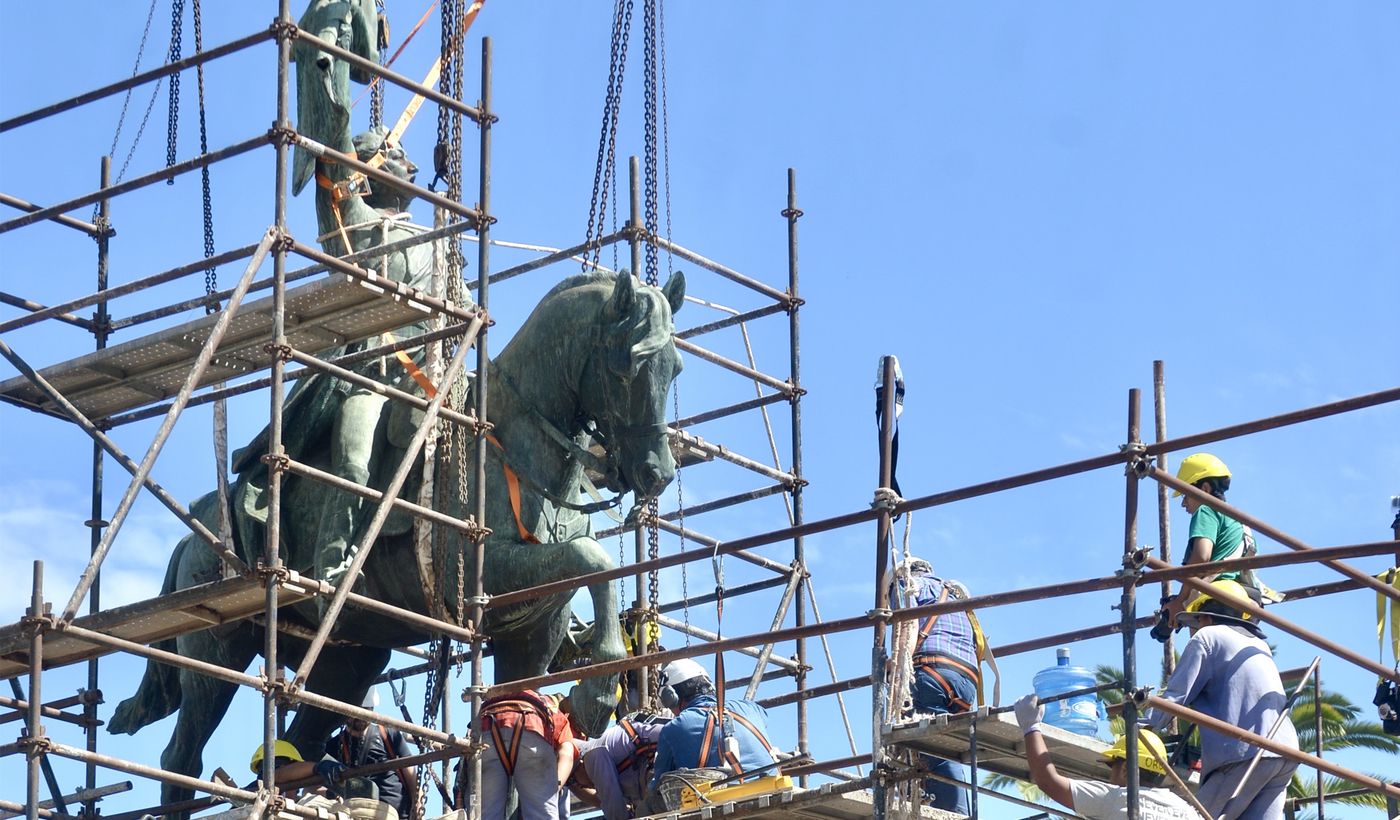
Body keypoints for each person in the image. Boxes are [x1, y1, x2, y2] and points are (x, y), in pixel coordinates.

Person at [1144, 579, 1299, 819]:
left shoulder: (1208, 636)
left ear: (1206, 615)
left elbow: (1176, 697)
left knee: (1196, 817)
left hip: (1244, 751)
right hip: (1285, 750)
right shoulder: (1259, 645)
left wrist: (1141, 727)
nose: (1194, 628)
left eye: (1196, 621)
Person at [1153, 453, 1276, 640]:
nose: (1183, 503)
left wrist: (1180, 600)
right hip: (1244, 606)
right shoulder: (1241, 524)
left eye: (1185, 494)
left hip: (1213, 604)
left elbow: (1201, 558)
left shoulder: (1206, 509)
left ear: (1205, 488)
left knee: (1207, 660)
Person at [1013, 695, 1195, 818]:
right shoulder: (1187, 811)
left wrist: (1031, 726)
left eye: (1112, 768)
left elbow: (1048, 782)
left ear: (1125, 769)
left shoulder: (1117, 799)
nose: (1109, 778)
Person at [903, 558, 983, 814]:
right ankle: (960, 811)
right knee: (947, 746)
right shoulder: (956, 594)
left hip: (932, 672)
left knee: (928, 747)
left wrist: (898, 664)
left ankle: (953, 814)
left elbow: (908, 626)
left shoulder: (908, 585)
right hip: (967, 681)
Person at [649, 659, 777, 793]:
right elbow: (764, 718)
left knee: (650, 802)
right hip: (773, 790)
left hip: (722, 801)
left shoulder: (674, 728)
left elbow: (660, 784)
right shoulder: (752, 708)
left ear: (672, 697)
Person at [479, 689, 577, 820]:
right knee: (541, 815)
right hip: (531, 727)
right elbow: (567, 754)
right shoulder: (552, 708)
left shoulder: (498, 694)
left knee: (487, 816)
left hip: (486, 730)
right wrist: (552, 789)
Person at [326, 689, 419, 819]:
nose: (362, 715)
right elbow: (318, 785)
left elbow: (411, 776)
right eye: (358, 710)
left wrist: (417, 808)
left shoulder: (388, 735)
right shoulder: (333, 746)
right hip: (356, 813)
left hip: (395, 814)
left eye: (367, 709)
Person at [571, 711, 668, 820]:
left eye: (575, 782)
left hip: (667, 758)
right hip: (668, 761)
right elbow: (603, 800)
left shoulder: (592, 755)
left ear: (579, 763)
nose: (582, 786)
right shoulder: (599, 751)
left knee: (644, 813)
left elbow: (614, 807)